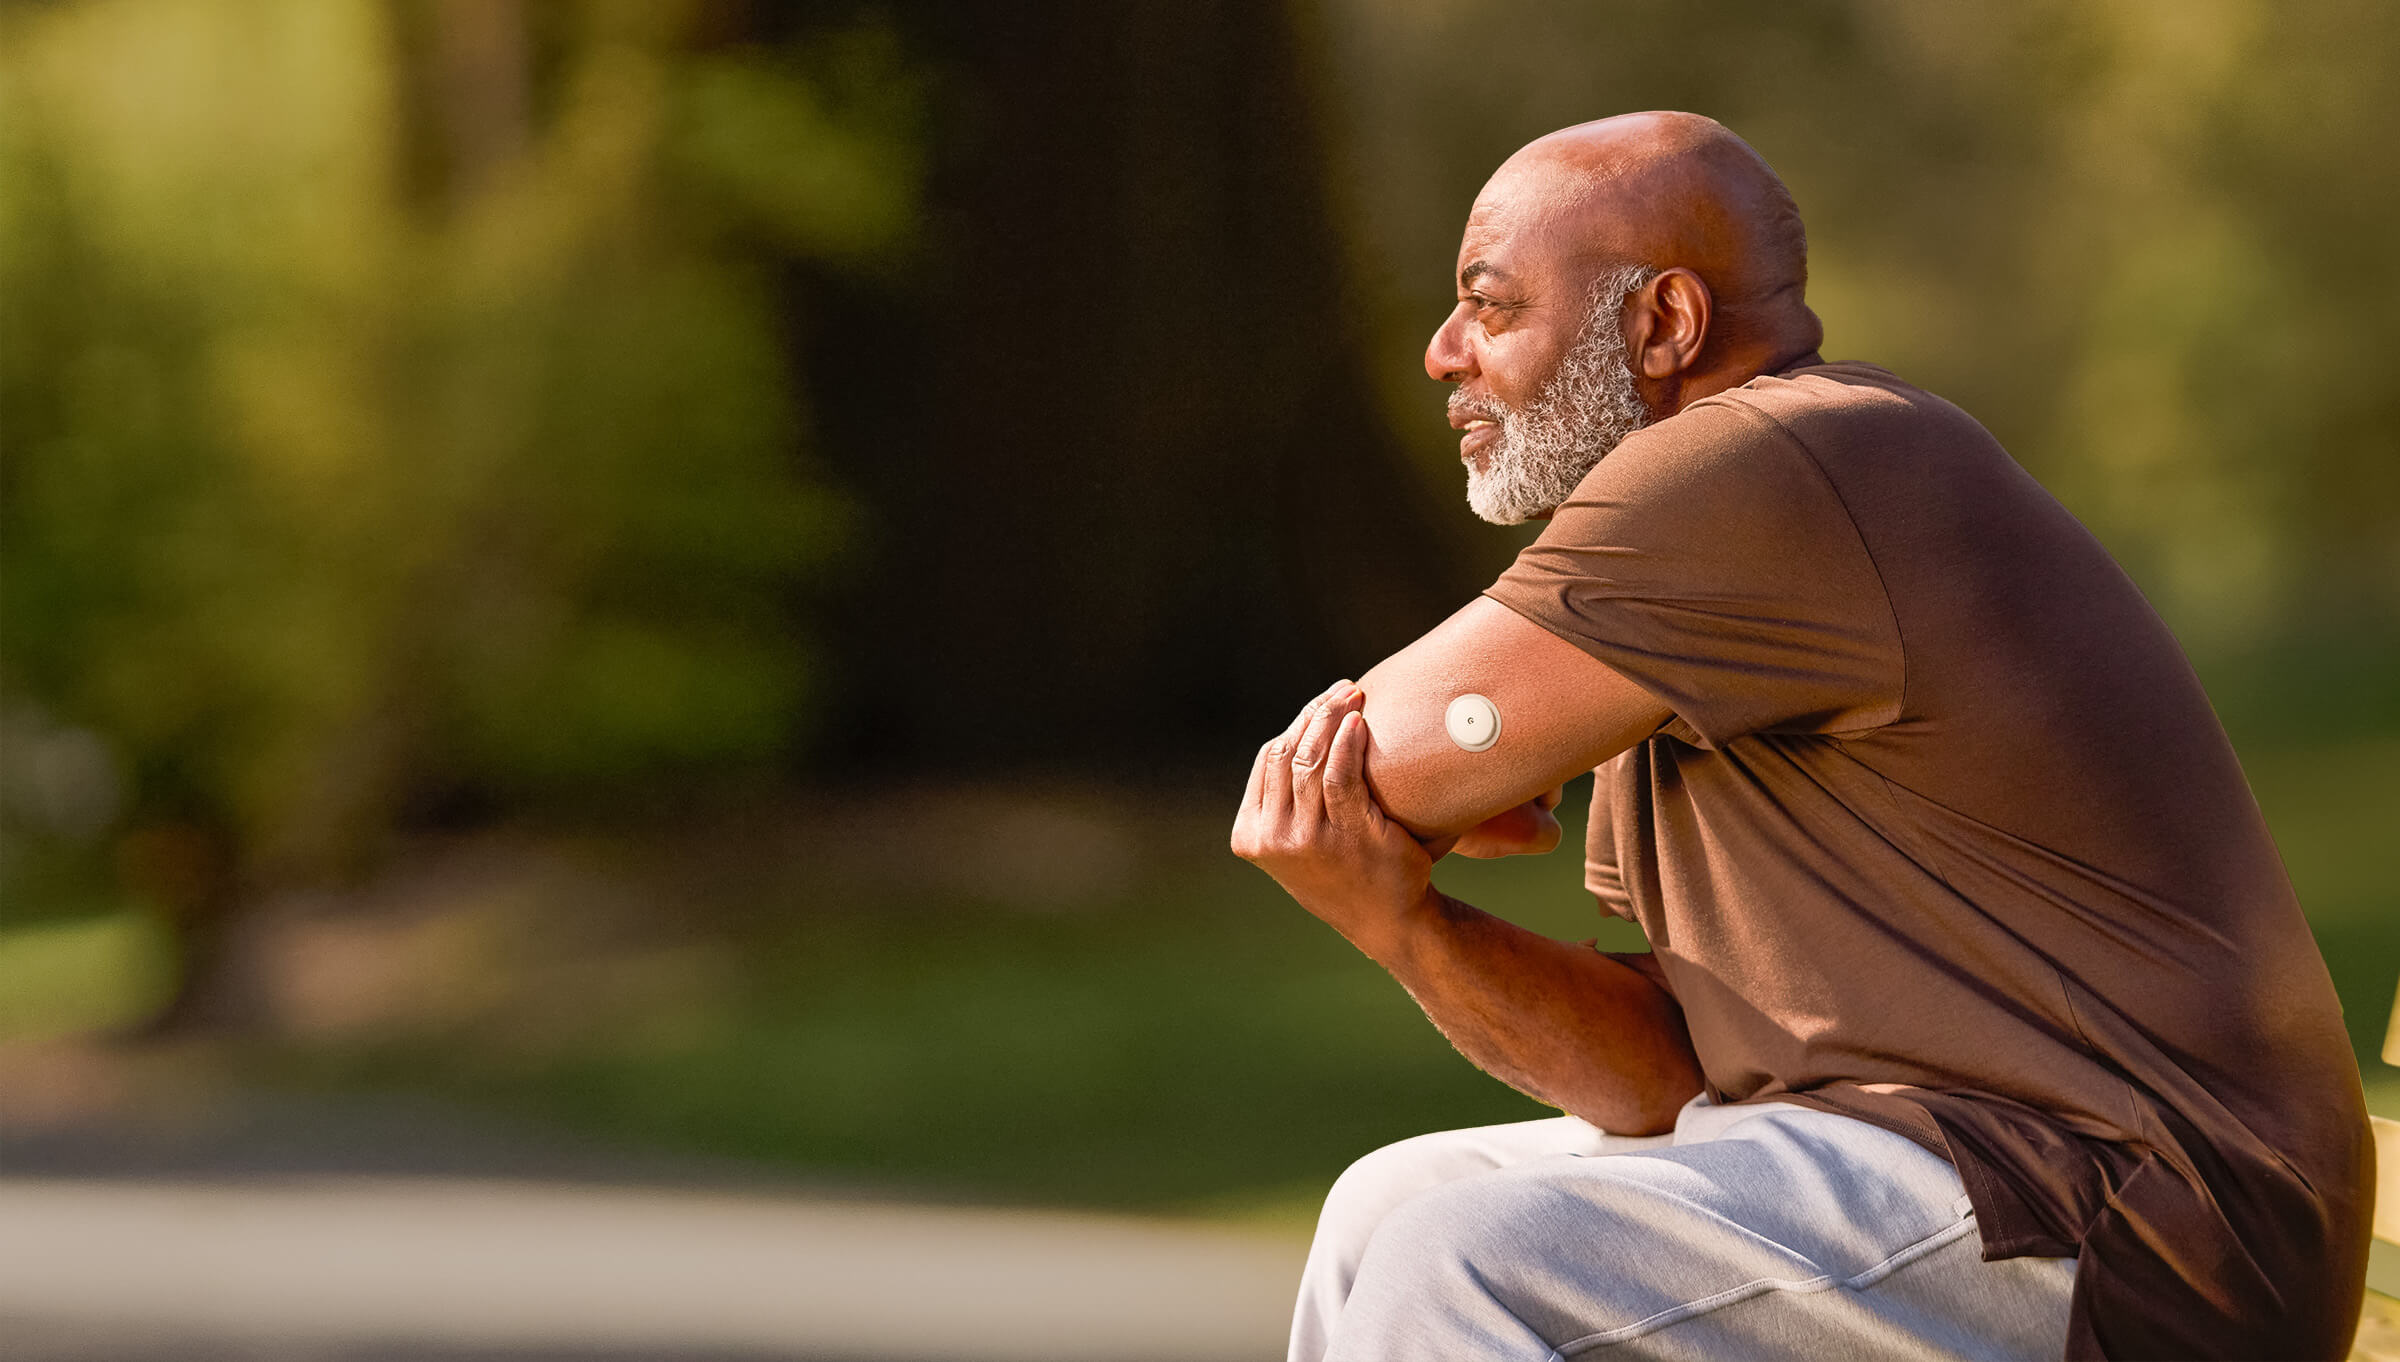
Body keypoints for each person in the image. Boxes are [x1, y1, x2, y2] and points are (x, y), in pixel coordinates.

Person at [1229, 111, 2372, 1362]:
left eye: (1491, 307)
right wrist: (1407, 922)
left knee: (1459, 1262)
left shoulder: (1766, 460)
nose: (1444, 353)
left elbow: (1371, 763)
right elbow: (1669, 1077)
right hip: (1963, 1174)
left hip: (2127, 1215)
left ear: (1662, 325)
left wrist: (1437, 791)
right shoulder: (1698, 602)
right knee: (1384, 1210)